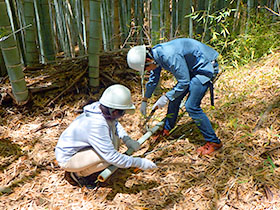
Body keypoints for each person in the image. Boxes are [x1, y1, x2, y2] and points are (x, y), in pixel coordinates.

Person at [127, 38, 222, 155]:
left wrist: (166, 97)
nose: (147, 71)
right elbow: (153, 79)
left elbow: (184, 82)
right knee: (175, 97)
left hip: (205, 67)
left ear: (148, 60)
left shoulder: (168, 56)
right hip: (192, 68)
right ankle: (167, 129)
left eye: (145, 69)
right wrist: (145, 100)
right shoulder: (156, 55)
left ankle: (214, 142)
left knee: (191, 106)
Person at [55, 84, 157, 189]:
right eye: (122, 113)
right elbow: (111, 156)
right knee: (108, 159)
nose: (122, 116)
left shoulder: (101, 108)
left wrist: (127, 140)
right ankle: (77, 175)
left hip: (81, 150)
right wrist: (138, 162)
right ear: (115, 111)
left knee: (113, 146)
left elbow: (115, 124)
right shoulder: (96, 124)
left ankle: (84, 168)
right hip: (68, 158)